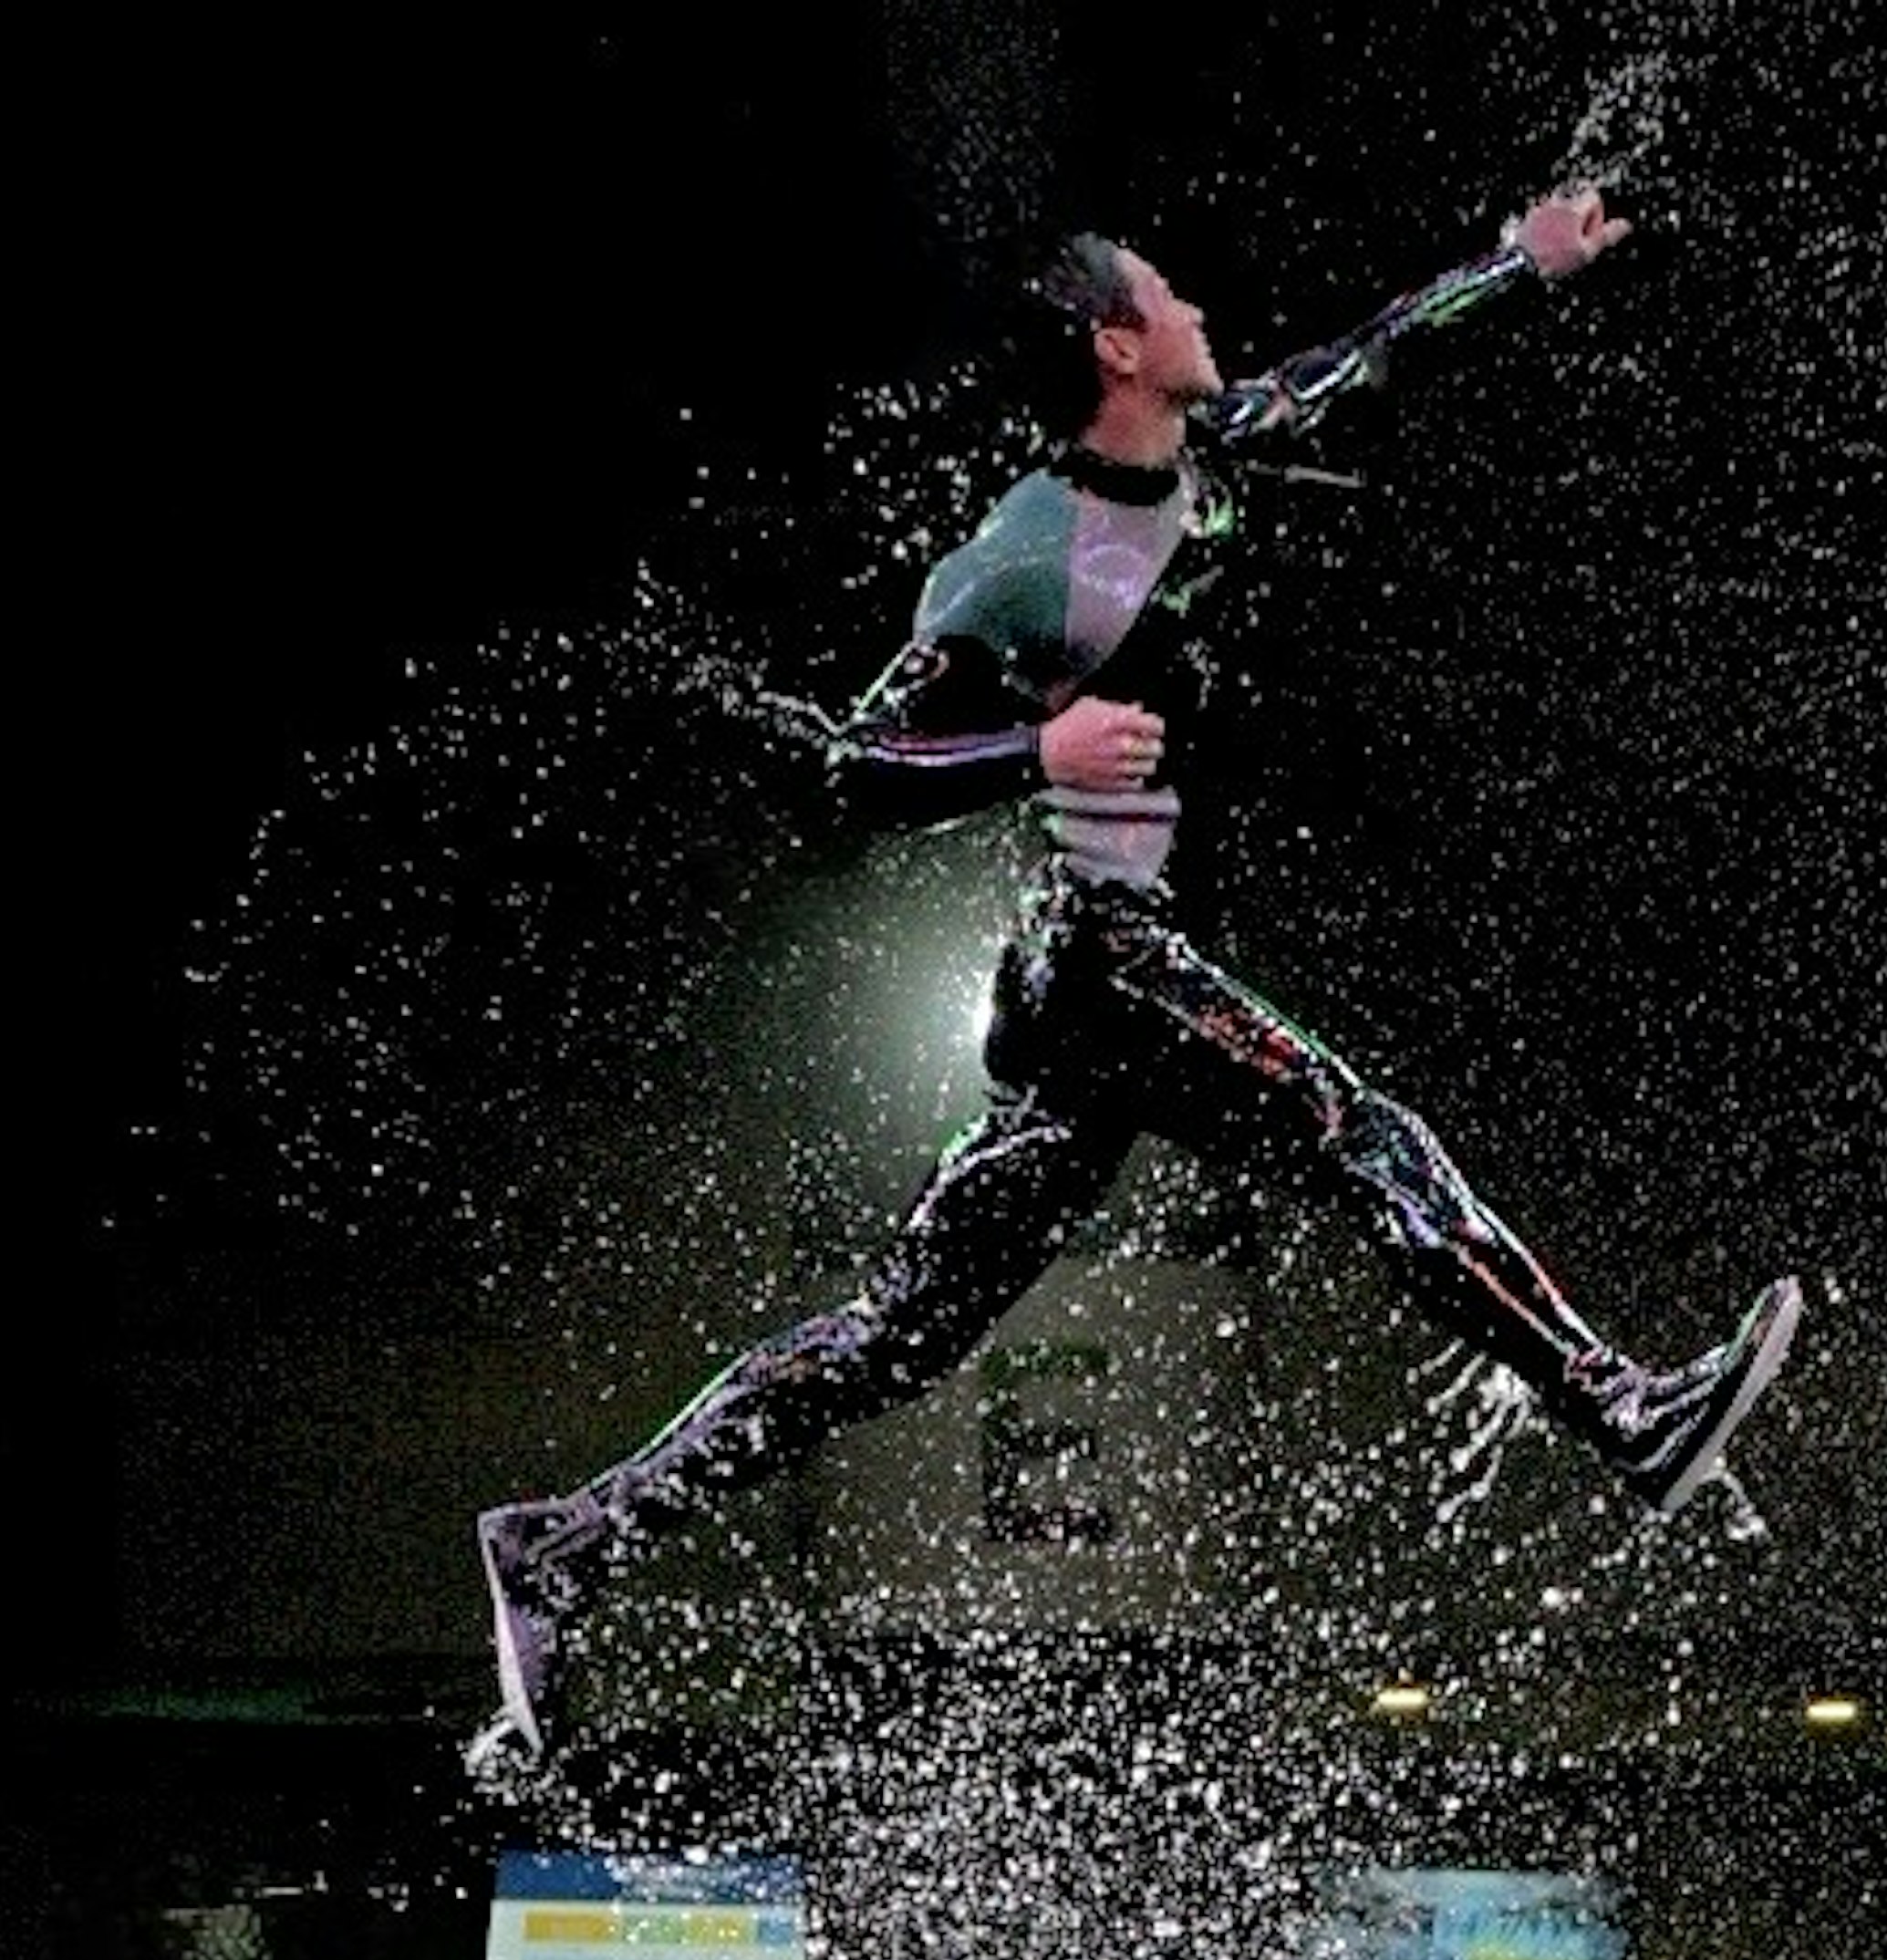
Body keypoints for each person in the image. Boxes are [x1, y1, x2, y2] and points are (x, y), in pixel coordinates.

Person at [474, 192, 1799, 1760]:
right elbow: (843, 775)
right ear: (1119, 344)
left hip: (1087, 1001)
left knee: (901, 1334)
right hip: (1102, 956)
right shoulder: (1019, 563)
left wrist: (1528, 262)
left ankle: (568, 1541)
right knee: (1351, 1127)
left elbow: (1365, 359)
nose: (1197, 307)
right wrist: (1033, 746)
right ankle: (1622, 1411)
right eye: (1165, 294)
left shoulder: (1215, 451)